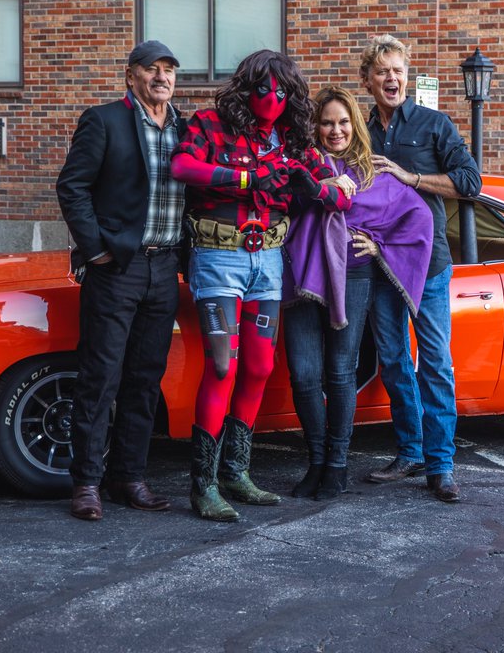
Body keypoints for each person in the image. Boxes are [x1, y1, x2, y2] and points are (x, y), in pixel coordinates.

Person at [171, 49, 351, 522]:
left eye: (283, 91)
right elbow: (183, 167)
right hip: (219, 257)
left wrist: (308, 185)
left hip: (268, 260)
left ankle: (236, 472)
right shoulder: (211, 123)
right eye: (264, 88)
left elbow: (337, 196)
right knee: (223, 365)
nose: (272, 98)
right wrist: (248, 176)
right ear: (246, 86)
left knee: (258, 366)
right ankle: (203, 485)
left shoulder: (293, 140)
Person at [55, 40, 187, 521]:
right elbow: (72, 186)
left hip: (164, 268)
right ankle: (86, 483)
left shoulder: (186, 130)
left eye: (169, 70)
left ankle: (129, 477)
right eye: (151, 69)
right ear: (131, 76)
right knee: (100, 377)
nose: (161, 77)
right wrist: (96, 249)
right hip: (118, 269)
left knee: (145, 379)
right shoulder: (104, 119)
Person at [281, 86, 433, 501]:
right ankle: (316, 460)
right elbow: (279, 207)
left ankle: (337, 464)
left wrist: (379, 245)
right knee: (305, 374)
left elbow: (417, 218)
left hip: (354, 277)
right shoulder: (301, 167)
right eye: (327, 122)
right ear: (316, 126)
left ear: (355, 125)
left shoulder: (375, 173)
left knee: (339, 372)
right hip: (299, 277)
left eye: (343, 121)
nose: (335, 130)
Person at [358, 34, 481, 503]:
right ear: (367, 79)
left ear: (407, 76)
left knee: (435, 364)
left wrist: (410, 177)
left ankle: (441, 465)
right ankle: (409, 452)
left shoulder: (433, 125)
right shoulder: (360, 130)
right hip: (379, 264)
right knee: (392, 361)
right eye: (382, 71)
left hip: (429, 266)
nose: (392, 78)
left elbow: (471, 182)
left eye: (398, 70)